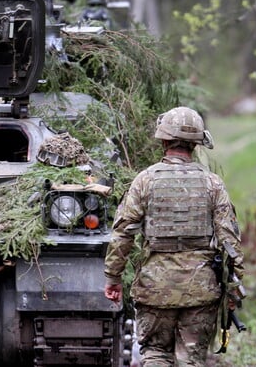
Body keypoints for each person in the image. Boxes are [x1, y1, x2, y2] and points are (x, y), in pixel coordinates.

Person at [104, 106, 245, 366]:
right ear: (196, 143)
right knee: (191, 360)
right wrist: (234, 288)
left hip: (154, 288)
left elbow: (123, 234)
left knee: (156, 354)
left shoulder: (144, 181)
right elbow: (230, 241)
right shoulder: (212, 183)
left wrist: (113, 277)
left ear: (164, 139)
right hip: (201, 291)